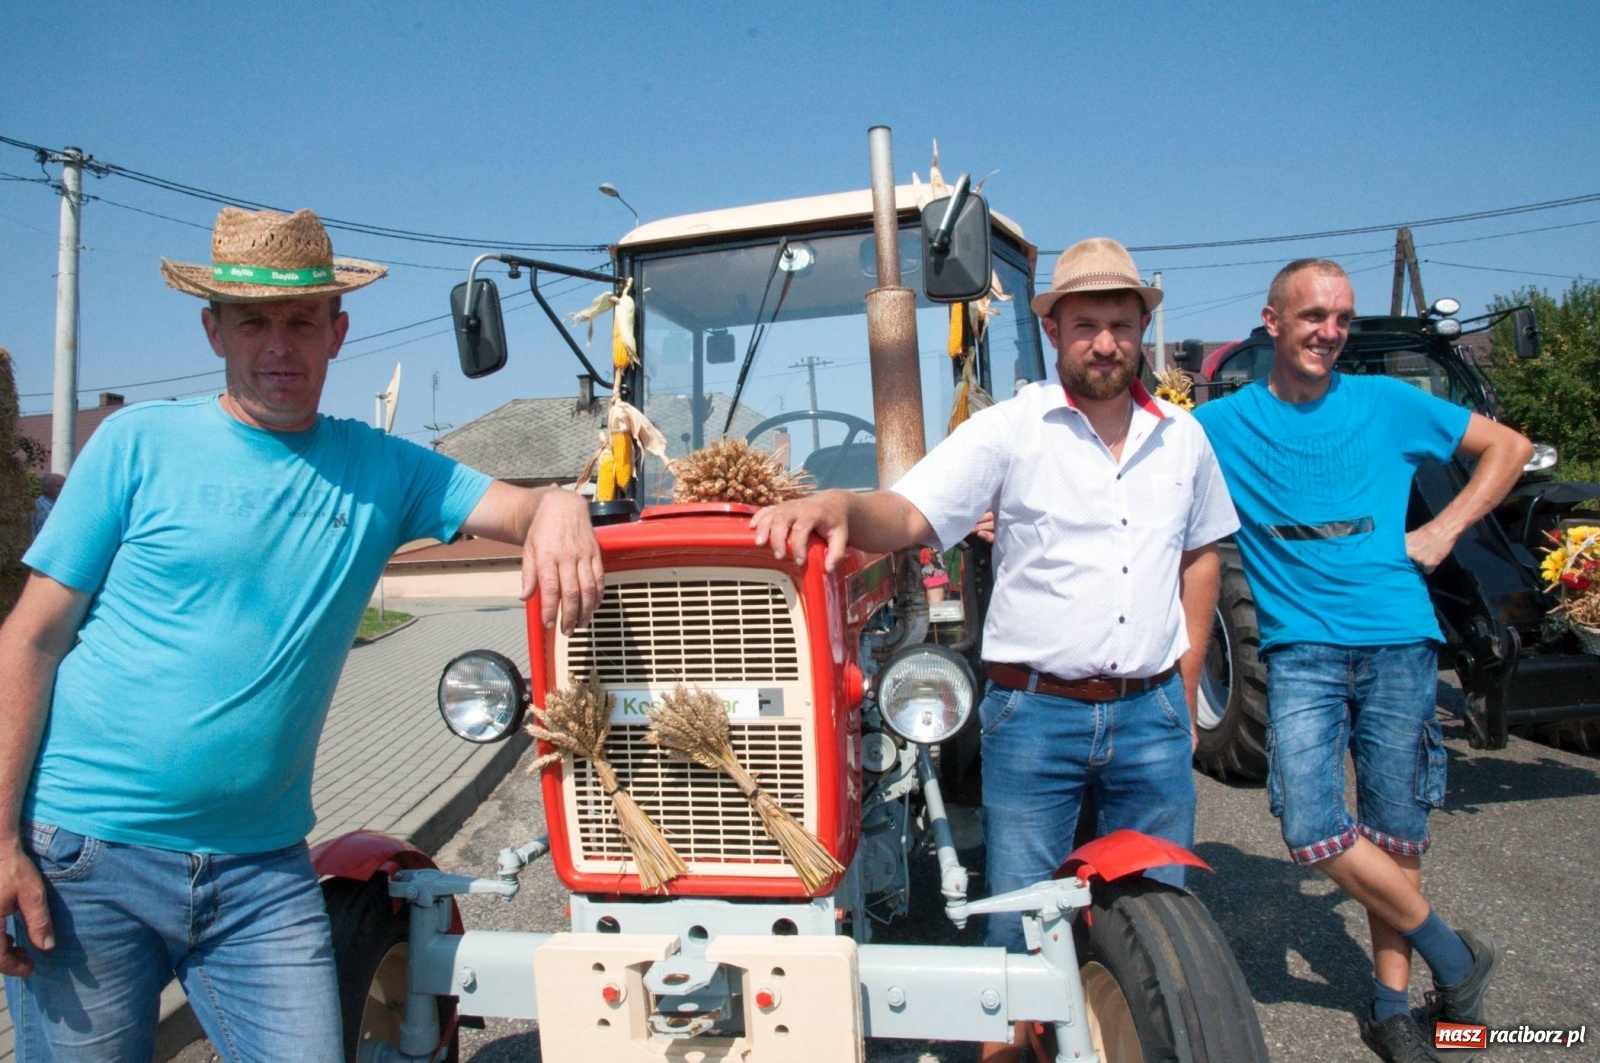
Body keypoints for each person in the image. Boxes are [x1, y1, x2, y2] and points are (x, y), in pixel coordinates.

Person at [0, 206, 604, 1061]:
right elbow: (27, 639)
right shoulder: (137, 446)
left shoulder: (384, 468)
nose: (277, 344)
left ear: (336, 332)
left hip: (261, 873)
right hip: (90, 858)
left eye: (300, 320)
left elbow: (521, 503)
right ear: (214, 330)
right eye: (253, 321)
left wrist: (562, 505)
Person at [753, 237, 1238, 1063]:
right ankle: (1009, 1054)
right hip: (1034, 711)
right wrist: (839, 501)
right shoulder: (1010, 431)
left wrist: (1186, 687)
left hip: (1152, 713)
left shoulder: (1182, 441)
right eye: (1087, 324)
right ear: (1055, 332)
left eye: (1121, 323)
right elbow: (909, 516)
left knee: (1158, 918)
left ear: (1140, 330)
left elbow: (1203, 556)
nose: (1106, 342)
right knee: (1018, 920)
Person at [1194, 259, 1530, 1063]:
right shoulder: (1220, 425)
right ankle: (1456, 955)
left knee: (1396, 829)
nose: (1330, 332)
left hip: (1397, 639)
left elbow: (1509, 448)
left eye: (1341, 318)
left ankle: (1392, 1006)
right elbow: (1132, 465)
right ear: (1271, 322)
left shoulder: (1387, 402)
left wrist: (1443, 532)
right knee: (1310, 824)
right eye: (1313, 316)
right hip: (1299, 648)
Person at [29, 474, 63, 539]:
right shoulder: (37, 507)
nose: (63, 489)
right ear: (46, 488)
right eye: (59, 486)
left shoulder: (66, 506)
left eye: (65, 486)